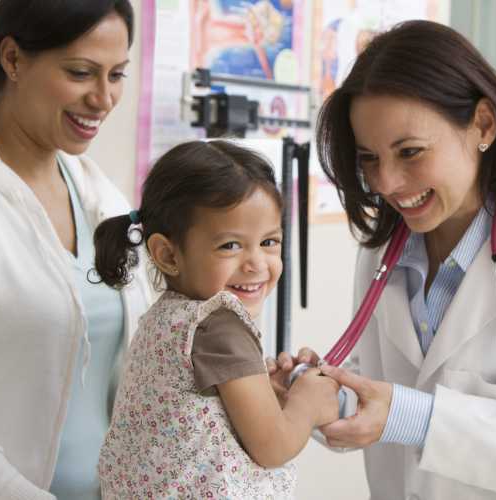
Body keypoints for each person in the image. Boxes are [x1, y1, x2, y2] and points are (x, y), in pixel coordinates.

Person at [269, 20, 496, 500]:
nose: (387, 183)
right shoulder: (385, 252)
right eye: (369, 159)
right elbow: (378, 396)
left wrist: (407, 415)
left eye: (410, 152)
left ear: (483, 124)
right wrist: (319, 395)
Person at [0, 2, 152, 499]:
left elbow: (133, 366)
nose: (104, 98)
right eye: (80, 73)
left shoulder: (99, 194)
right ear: (13, 59)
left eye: (117, 75)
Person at [93, 140, 339, 499]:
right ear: (167, 254)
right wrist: (308, 401)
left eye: (269, 242)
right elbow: (272, 445)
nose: (256, 263)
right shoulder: (219, 324)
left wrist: (271, 394)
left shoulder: (166, 315)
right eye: (230, 246)